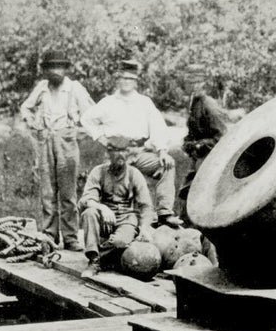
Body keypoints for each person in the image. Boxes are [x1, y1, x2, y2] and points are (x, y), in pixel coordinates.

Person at [80, 59, 183, 227]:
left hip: (138, 152)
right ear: (117, 79)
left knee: (167, 165)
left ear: (136, 81)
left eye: (130, 79)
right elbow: (86, 119)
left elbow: (158, 126)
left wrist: (163, 150)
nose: (126, 82)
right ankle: (114, 218)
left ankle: (164, 213)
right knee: (112, 182)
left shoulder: (144, 102)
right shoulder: (108, 103)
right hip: (115, 154)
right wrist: (101, 138)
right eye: (123, 78)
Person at [19, 49, 94, 251]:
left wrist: (78, 132)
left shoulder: (74, 88)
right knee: (48, 192)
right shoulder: (42, 87)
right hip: (45, 140)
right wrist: (32, 122)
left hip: (67, 141)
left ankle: (70, 237)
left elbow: (91, 115)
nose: (55, 71)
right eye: (51, 67)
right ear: (45, 70)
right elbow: (25, 107)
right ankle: (49, 235)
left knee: (68, 192)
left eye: (59, 66)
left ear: (65, 68)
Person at [79, 135, 156, 271]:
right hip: (105, 218)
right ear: (108, 153)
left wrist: (144, 228)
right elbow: (86, 199)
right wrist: (102, 207)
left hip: (126, 218)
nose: (121, 155)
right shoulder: (98, 172)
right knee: (89, 213)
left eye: (124, 151)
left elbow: (146, 206)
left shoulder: (134, 174)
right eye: (116, 151)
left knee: (120, 242)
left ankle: (103, 253)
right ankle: (94, 260)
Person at [178, 63, 227, 218]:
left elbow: (222, 138)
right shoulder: (194, 103)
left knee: (199, 194)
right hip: (198, 157)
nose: (192, 86)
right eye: (189, 82)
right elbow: (194, 131)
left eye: (196, 83)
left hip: (211, 158)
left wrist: (199, 145)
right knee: (186, 194)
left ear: (203, 83)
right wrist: (188, 142)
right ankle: (187, 222)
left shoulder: (209, 105)